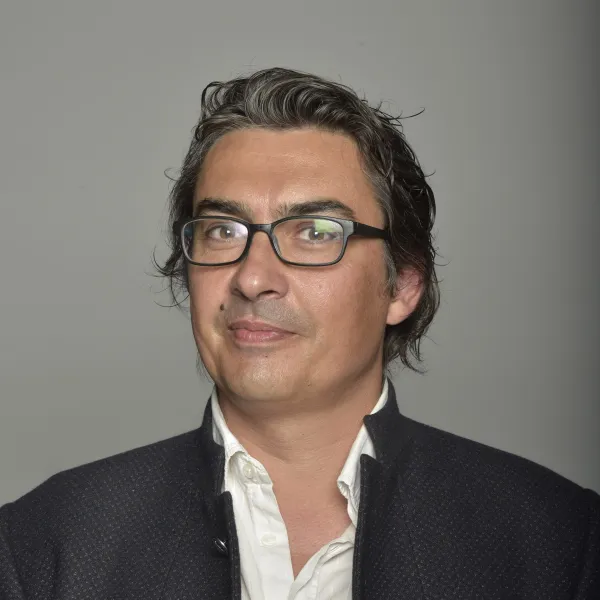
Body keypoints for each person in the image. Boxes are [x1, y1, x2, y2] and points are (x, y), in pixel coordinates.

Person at [0, 67, 598, 600]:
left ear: (402, 285)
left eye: (315, 232)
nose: (253, 278)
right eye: (222, 230)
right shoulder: (41, 545)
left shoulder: (562, 543)